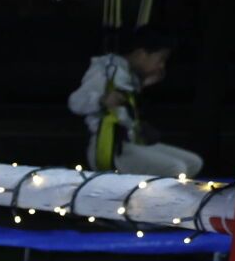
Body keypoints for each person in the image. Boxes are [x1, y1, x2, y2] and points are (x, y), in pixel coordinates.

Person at [68, 24, 203, 177]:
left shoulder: (129, 74)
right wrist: (101, 100)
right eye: (160, 59)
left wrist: (142, 83)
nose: (161, 65)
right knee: (174, 168)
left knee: (194, 162)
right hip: (108, 147)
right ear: (140, 54)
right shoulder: (107, 70)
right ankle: (154, 200)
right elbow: (75, 102)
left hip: (130, 143)